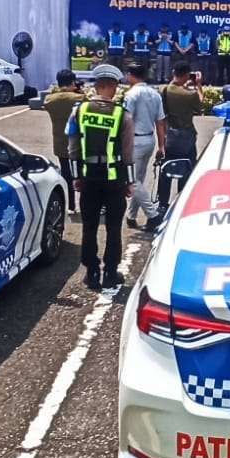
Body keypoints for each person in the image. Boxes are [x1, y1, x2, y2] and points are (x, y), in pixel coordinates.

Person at [67, 64, 134, 290]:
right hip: (114, 180)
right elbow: (128, 153)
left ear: (96, 86)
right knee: (114, 228)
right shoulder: (122, 114)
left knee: (89, 226)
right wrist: (129, 183)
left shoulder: (79, 111)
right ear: (113, 86)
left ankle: (92, 272)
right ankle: (110, 273)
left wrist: (76, 177)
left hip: (88, 178)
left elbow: (73, 148)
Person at [121, 64, 167, 231]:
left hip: (134, 140)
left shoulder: (131, 94)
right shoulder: (155, 94)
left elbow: (126, 120)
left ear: (131, 75)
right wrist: (161, 145)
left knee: (132, 180)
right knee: (138, 178)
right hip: (149, 139)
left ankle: (152, 214)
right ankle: (131, 216)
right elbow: (160, 121)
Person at [157, 61, 203, 224]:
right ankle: (181, 202)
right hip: (187, 135)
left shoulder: (164, 90)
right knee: (187, 168)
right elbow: (199, 106)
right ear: (187, 75)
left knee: (166, 170)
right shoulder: (190, 94)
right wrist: (198, 85)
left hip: (170, 134)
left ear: (173, 73)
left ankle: (162, 204)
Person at [43, 69, 86, 215]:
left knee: (66, 175)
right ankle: (84, 205)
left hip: (60, 142)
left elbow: (51, 97)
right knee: (82, 175)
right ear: (73, 82)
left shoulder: (50, 99)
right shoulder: (79, 98)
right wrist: (79, 91)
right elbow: (88, 102)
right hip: (79, 143)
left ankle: (71, 206)